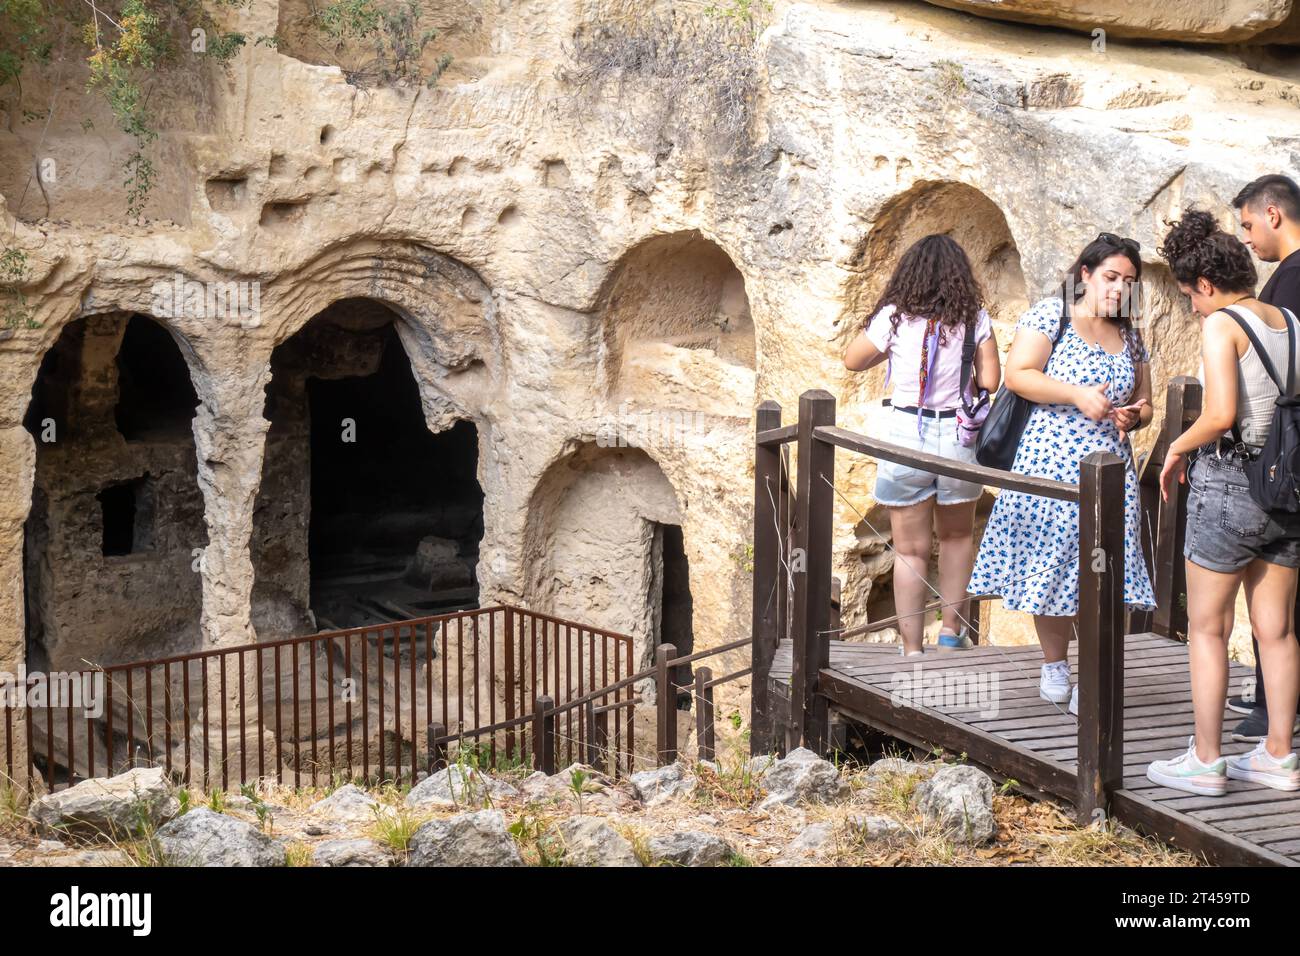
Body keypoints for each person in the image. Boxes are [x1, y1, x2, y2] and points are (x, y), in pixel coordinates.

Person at [967, 234, 1156, 712]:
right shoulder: (1052, 315)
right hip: (1051, 461)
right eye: (1111, 277)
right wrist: (1076, 394)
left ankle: (1093, 672)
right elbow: (1018, 374)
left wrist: (1137, 414)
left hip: (1111, 467)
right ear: (1087, 274)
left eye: (1129, 281)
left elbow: (1147, 400)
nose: (1119, 288)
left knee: (1103, 568)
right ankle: (1054, 663)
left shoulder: (1130, 334)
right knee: (1051, 566)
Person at [1146, 210, 1300, 796]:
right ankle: (1279, 756)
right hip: (1288, 491)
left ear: (1206, 285)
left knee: (1208, 629)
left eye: (1190, 296)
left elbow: (1220, 415)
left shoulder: (1221, 325)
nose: (1192, 308)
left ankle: (1206, 760)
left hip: (1232, 486)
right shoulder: (1290, 320)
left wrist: (1176, 450)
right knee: (1277, 631)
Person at [844, 235, 1000, 655]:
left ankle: (912, 648)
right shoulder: (974, 317)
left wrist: (892, 350)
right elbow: (990, 381)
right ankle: (952, 632)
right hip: (957, 438)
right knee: (956, 539)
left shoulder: (895, 316)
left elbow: (852, 359)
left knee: (909, 549)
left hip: (905, 435)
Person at [1226, 174, 1300, 743]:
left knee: (1274, 593)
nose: (1248, 238)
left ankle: (1272, 710)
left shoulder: (1290, 284)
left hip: (1283, 456)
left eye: (1249, 224)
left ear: (1272, 214)